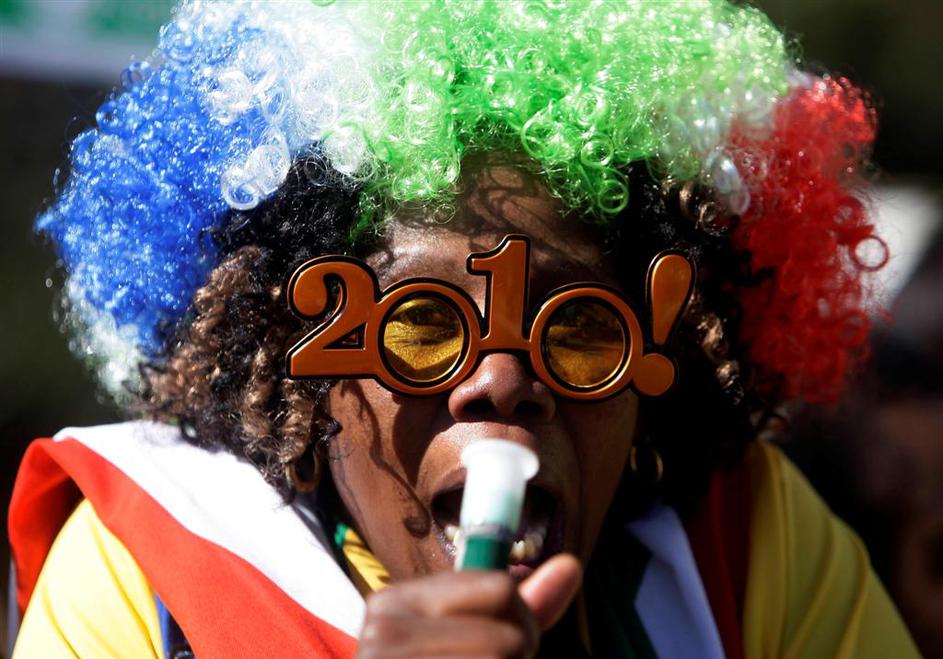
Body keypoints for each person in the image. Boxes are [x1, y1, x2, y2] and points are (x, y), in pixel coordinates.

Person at [7, 1, 921, 657]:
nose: (500, 381)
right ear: (297, 367)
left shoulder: (746, 548)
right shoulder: (147, 578)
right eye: (419, 325)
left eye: (581, 330)